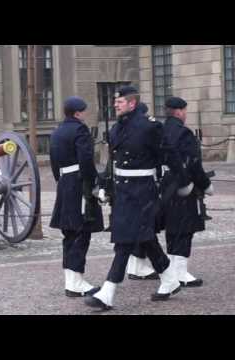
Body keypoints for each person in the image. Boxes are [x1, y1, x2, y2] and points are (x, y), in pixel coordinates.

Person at [84, 86, 180, 311]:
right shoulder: (118, 128)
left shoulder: (150, 127)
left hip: (143, 190)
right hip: (123, 191)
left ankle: (107, 292)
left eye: (120, 102)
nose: (115, 104)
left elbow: (169, 154)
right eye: (115, 102)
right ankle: (169, 278)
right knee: (145, 238)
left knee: (124, 241)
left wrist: (183, 181)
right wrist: (104, 186)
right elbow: (113, 162)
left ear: (132, 104)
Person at [49, 96, 104, 298]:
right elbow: (86, 161)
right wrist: (94, 183)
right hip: (80, 184)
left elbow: (54, 163)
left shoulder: (57, 132)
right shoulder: (79, 130)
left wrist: (62, 182)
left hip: (65, 183)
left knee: (69, 234)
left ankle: (72, 280)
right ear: (78, 113)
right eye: (84, 111)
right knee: (81, 233)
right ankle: (76, 282)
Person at [160, 96, 214, 287]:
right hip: (183, 185)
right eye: (185, 111)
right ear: (180, 111)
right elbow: (193, 163)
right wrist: (205, 184)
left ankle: (172, 268)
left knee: (172, 227)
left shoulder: (160, 130)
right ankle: (180, 271)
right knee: (185, 228)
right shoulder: (184, 133)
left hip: (165, 185)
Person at [125, 102, 159, 281]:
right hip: (141, 185)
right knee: (144, 227)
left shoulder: (123, 129)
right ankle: (143, 267)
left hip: (124, 185)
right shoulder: (145, 130)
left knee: (134, 228)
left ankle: (136, 265)